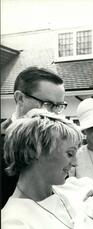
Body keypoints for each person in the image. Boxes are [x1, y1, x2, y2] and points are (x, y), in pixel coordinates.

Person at [1, 66, 67, 208]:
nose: (55, 114)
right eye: (48, 104)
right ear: (20, 99)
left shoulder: (60, 142)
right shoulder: (3, 141)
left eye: (59, 106)